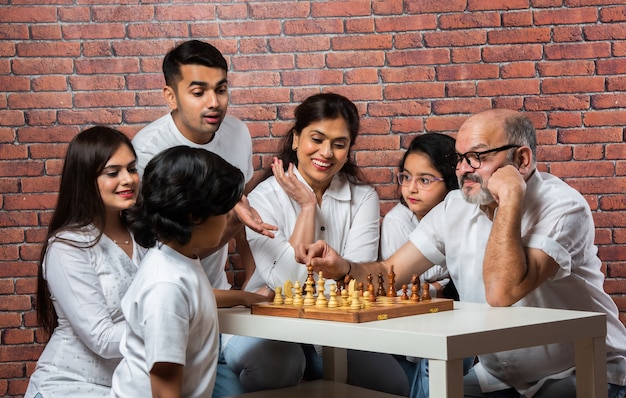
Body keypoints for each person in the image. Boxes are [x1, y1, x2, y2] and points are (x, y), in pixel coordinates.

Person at [296, 108, 626, 398]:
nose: (463, 169)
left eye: (478, 157)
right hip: (502, 379)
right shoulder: (454, 206)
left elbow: (502, 293)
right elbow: (389, 273)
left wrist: (510, 199)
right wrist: (342, 268)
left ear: (522, 160)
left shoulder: (563, 207)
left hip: (582, 370)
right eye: (460, 157)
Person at [130, 39, 279, 396]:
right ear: (171, 96)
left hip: (211, 293)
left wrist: (249, 293)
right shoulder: (150, 148)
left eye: (222, 89)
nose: (214, 102)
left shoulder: (237, 134)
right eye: (198, 92)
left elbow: (234, 206)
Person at [241, 92, 411, 396]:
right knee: (276, 366)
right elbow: (286, 283)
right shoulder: (262, 197)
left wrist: (335, 280)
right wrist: (307, 207)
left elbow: (357, 281)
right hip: (267, 322)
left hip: (337, 327)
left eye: (339, 144)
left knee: (392, 384)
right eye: (316, 139)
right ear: (296, 139)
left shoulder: (363, 197)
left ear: (348, 150)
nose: (326, 152)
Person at [111, 146, 244, 398]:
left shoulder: (181, 260)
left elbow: (195, 303)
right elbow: (164, 387)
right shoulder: (166, 286)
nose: (228, 216)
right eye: (223, 210)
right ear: (194, 216)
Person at [25, 126, 142, 398]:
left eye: (132, 169)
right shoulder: (68, 247)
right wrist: (170, 325)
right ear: (85, 179)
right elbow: (101, 338)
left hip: (125, 387)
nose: (128, 179)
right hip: (68, 386)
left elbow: (183, 281)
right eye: (113, 173)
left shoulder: (144, 236)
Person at [380, 133, 459, 300]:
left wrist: (442, 283)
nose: (411, 188)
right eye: (406, 177)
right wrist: (440, 286)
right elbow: (401, 287)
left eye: (424, 180)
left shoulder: (460, 214)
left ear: (450, 182)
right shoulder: (397, 221)